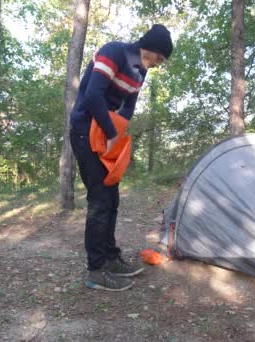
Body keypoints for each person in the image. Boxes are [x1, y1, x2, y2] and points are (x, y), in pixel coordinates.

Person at [69, 24, 173, 291]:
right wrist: (111, 130)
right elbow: (92, 95)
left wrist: (119, 133)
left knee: (112, 198)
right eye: (159, 58)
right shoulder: (114, 52)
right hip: (84, 130)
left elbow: (128, 106)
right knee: (99, 201)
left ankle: (110, 258)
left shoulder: (141, 72)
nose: (158, 64)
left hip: (106, 135)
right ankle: (95, 270)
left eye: (161, 61)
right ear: (150, 46)